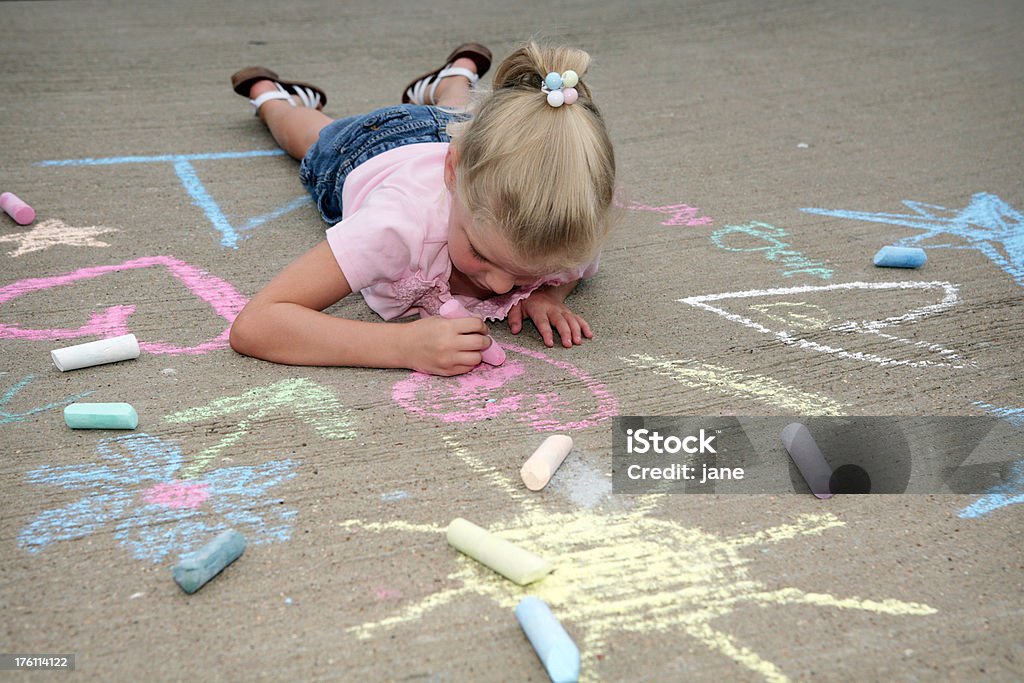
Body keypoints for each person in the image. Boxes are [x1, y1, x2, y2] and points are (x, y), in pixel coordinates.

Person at [227, 41, 616, 376]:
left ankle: (454, 77)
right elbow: (258, 324)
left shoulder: (564, 216)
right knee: (312, 135)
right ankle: (272, 99)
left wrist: (550, 295)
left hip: (459, 131)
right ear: (452, 172)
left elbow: (574, 265)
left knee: (458, 115)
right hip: (369, 147)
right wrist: (401, 346)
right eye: (481, 253)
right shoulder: (396, 225)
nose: (500, 287)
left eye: (529, 272)